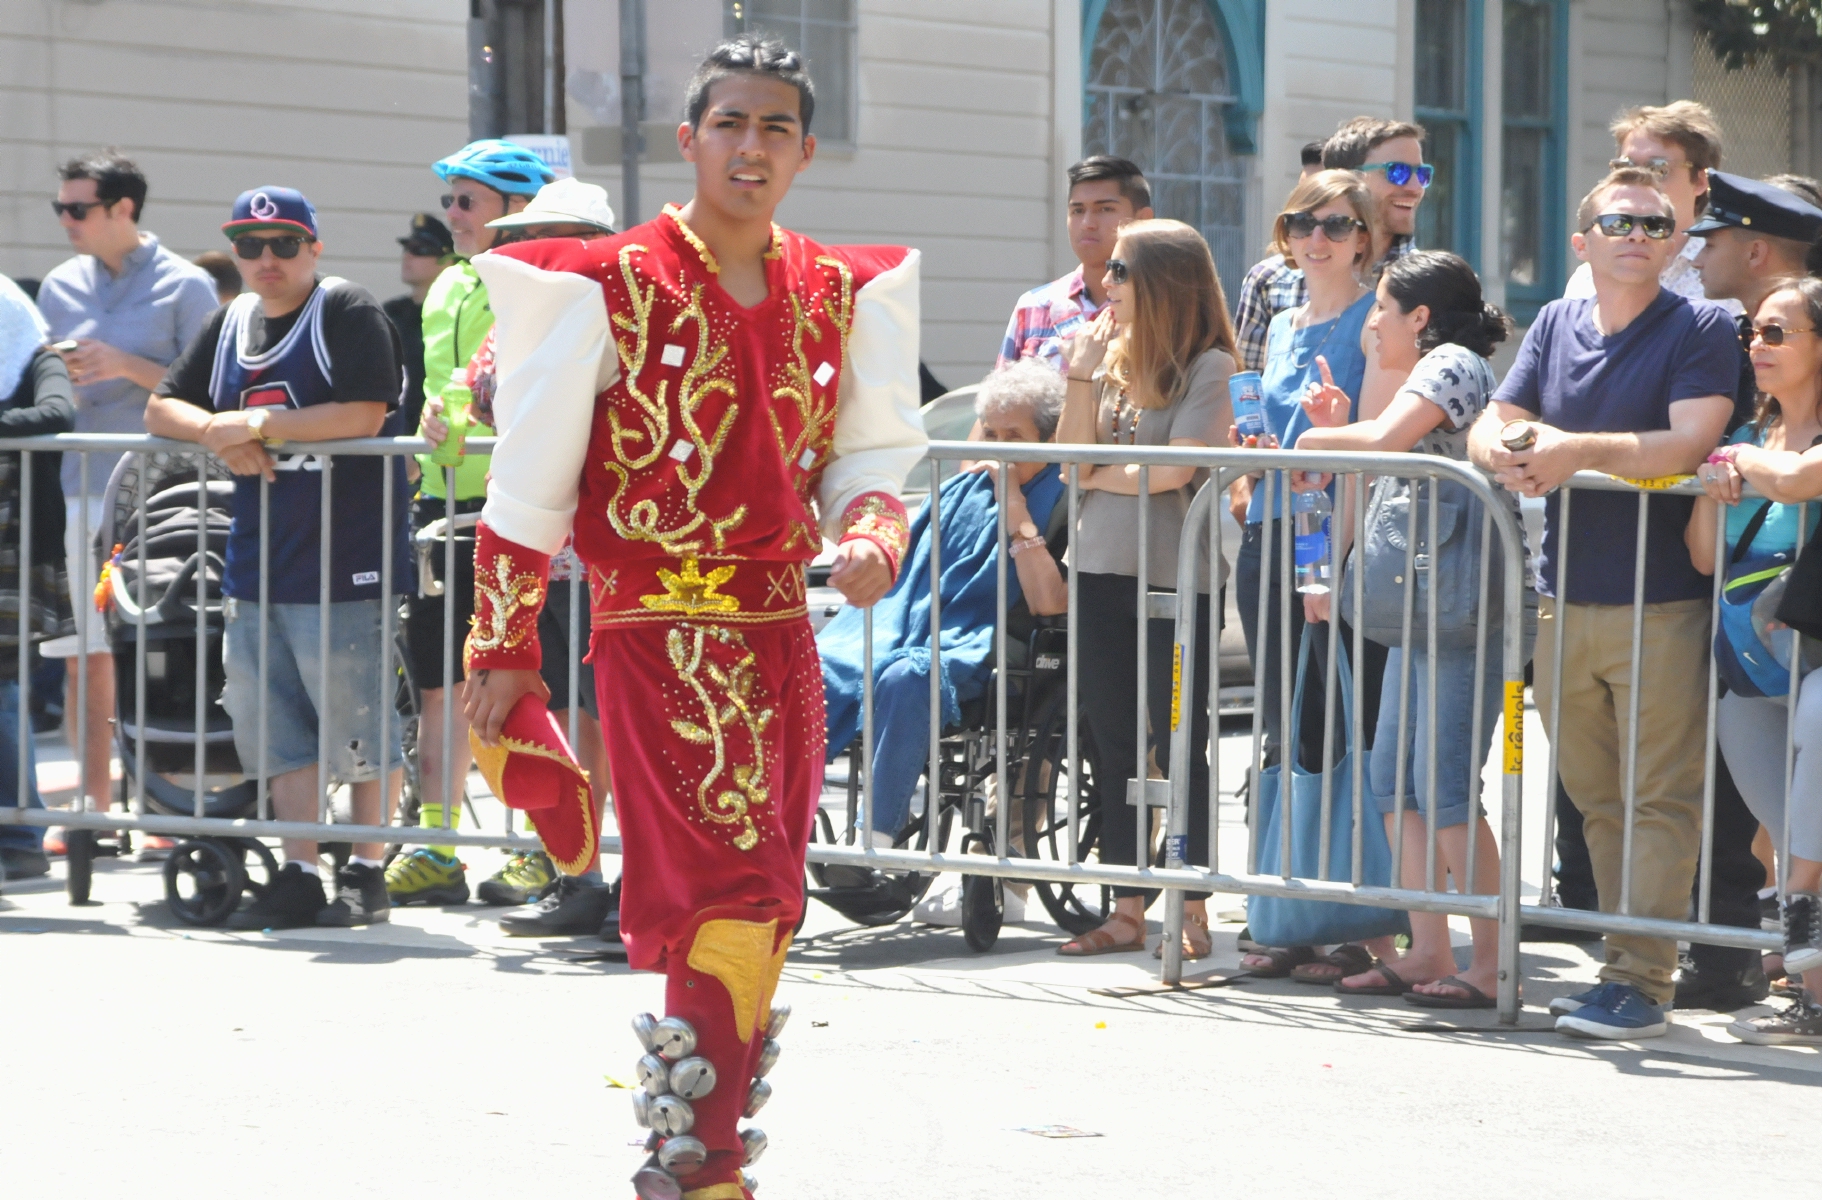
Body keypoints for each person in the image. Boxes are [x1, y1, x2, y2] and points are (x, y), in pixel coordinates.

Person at [460, 35, 925, 1199]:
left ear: (805, 149)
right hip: (656, 631)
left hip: (779, 631)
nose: (751, 147)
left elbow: (869, 458)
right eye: (730, 125)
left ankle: (690, 1152)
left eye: (775, 128)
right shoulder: (606, 282)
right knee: (728, 895)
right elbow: (530, 486)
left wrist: (872, 533)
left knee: (768, 899)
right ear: (690, 139)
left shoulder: (838, 288)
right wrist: (504, 649)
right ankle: (705, 1168)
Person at [1469, 166, 1739, 1039]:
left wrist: (1570, 448)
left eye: (1657, 226)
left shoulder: (1701, 325)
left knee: (1656, 795)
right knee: (1594, 796)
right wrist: (1509, 448)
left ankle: (1643, 981)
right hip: (1565, 594)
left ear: (1675, 244)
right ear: (1582, 242)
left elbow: (1692, 437)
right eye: (1618, 222)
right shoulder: (1555, 319)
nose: (1637, 235)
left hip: (1660, 599)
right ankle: (1623, 967)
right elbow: (1497, 415)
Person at [143, 186, 411, 930]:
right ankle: (299, 868)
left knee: (356, 717)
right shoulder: (228, 321)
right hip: (259, 552)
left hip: (345, 550)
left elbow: (363, 411)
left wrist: (256, 422)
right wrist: (217, 431)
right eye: (249, 244)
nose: (266, 259)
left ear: (314, 247)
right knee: (273, 721)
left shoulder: (347, 309)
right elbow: (161, 406)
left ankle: (365, 867)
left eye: (284, 243)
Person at [1294, 251, 1527, 1005]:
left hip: (1463, 604)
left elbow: (1390, 441)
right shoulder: (1435, 369)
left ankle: (1488, 961)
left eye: (1382, 310)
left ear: (1419, 318)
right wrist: (1339, 427)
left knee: (1446, 784)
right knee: (1395, 777)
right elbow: (1392, 439)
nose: (1371, 325)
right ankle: (1430, 948)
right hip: (1426, 601)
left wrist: (1310, 443)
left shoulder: (1453, 362)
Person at [817, 359, 1069, 927]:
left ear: (1050, 439)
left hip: (990, 644)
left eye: (1015, 437)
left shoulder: (1063, 496)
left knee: (910, 674)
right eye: (992, 434)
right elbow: (905, 574)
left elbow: (1048, 602)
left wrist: (1017, 513)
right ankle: (787, 820)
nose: (998, 448)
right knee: (822, 669)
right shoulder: (958, 490)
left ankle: (878, 835)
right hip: (907, 627)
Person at [1229, 169, 1404, 984]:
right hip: (1270, 531)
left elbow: (1369, 444)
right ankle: (1294, 908)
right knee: (1285, 719)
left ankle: (1358, 918)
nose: (1318, 237)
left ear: (1365, 236)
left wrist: (1329, 557)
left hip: (1334, 539)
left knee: (1342, 721)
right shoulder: (1286, 318)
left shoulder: (1376, 318)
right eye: (1303, 223)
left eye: (1337, 224)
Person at [438, 177, 623, 937]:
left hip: (617, 552)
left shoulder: (619, 304)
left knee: (614, 722)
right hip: (540, 550)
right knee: (561, 716)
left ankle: (637, 885)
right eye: (520, 238)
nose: (531, 251)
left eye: (560, 235)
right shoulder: (523, 312)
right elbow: (480, 391)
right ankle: (582, 878)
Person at [1052, 218, 1233, 959]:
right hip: (1097, 569)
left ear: (1160, 281)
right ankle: (1126, 907)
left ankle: (1189, 903)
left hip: (1175, 576)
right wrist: (1082, 376)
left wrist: (1098, 472)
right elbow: (1067, 461)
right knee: (1112, 739)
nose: (1106, 281)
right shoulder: (1108, 355)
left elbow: (1174, 470)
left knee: (1179, 738)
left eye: (1121, 271)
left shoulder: (1210, 365)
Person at [383, 139, 553, 911]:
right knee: (436, 682)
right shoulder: (446, 287)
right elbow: (434, 384)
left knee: (514, 681)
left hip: (514, 503)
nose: (452, 215)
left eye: (467, 200)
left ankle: (542, 845)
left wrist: (455, 409)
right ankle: (438, 841)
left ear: (516, 209)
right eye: (449, 199)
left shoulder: (538, 279)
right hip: (440, 503)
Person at [1672, 170, 1822, 1009]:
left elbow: (1803, 481)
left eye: (1775, 332)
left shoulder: (1761, 452)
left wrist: (1741, 467)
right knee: (1796, 816)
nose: (1756, 344)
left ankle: (1797, 902)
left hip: (1816, 656)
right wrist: (1713, 482)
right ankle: (1814, 994)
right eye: (1754, 333)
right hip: (1749, 665)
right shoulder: (1745, 434)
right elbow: (1704, 556)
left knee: (1818, 723)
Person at [35, 150, 217, 841]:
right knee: (84, 655)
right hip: (75, 486)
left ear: (123, 210)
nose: (65, 221)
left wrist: (125, 366)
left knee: (159, 650)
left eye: (77, 209)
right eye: (60, 208)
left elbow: (205, 389)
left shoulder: (187, 285)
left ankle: (167, 804)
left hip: (161, 498)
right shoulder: (58, 284)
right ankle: (94, 807)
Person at [0, 276, 74, 882]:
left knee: (4, 692)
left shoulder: (39, 357)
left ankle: (21, 834)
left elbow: (57, 412)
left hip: (13, 549)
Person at [997, 156, 1153, 374]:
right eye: (1077, 211)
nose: (1088, 223)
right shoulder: (1034, 306)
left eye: (1105, 209)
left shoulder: (1161, 307)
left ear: (1142, 219)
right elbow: (1002, 403)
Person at [1565, 101, 1725, 304]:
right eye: (1626, 167)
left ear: (1701, 181)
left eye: (1658, 169)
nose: (1639, 180)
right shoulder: (1589, 276)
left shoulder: (1722, 275)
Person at [383, 212, 455, 435]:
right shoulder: (390, 312)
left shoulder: (457, 314)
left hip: (437, 432)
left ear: (449, 261)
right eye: (407, 248)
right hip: (395, 433)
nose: (408, 256)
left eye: (420, 250)